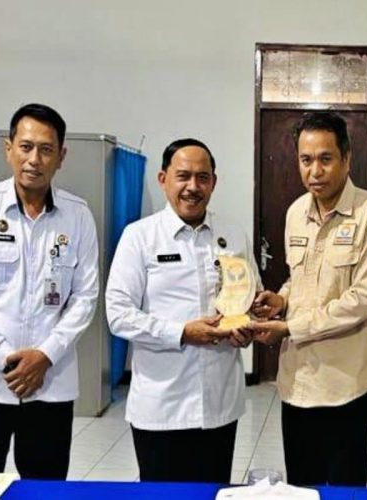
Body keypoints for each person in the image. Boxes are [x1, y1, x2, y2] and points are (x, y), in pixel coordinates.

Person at [0, 103, 99, 478]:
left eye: (46, 149)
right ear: (8, 148)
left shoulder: (77, 216)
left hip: (50, 384)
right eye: (26, 147)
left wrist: (45, 356)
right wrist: (6, 357)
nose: (34, 159)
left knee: (45, 488)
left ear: (61, 156)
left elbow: (85, 297)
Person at [251, 112, 367, 486]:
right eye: (306, 160)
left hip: (345, 389)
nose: (315, 171)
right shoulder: (296, 212)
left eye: (325, 159)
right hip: (296, 386)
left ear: (347, 158)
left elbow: (363, 298)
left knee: (344, 493)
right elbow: (299, 280)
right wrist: (281, 300)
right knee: (301, 490)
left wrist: (289, 327)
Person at [105, 138, 259, 483]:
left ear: (214, 182)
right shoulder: (139, 237)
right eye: (183, 176)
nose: (193, 187)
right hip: (162, 406)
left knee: (213, 492)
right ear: (163, 179)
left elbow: (251, 297)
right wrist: (182, 333)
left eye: (203, 177)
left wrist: (248, 327)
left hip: (220, 403)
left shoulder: (232, 233)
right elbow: (118, 313)